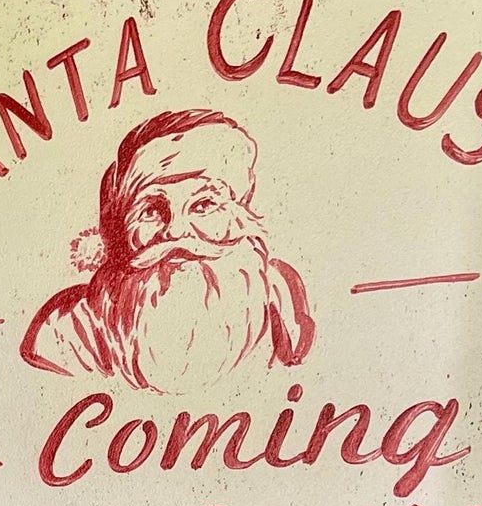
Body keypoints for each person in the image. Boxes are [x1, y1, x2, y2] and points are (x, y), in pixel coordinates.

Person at [20, 107, 315, 393]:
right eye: (151, 211)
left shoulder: (281, 300)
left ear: (240, 217)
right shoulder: (68, 330)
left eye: (204, 205)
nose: (175, 232)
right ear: (123, 229)